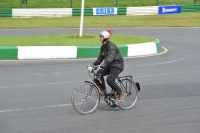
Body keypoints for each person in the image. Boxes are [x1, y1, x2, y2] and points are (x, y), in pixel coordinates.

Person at [92, 30, 126, 103]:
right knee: (97, 74)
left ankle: (121, 93)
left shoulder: (111, 46)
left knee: (110, 80)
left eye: (101, 37)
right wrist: (93, 65)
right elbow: (100, 58)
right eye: (100, 37)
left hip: (117, 65)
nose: (100, 38)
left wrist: (104, 64)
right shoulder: (103, 47)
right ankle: (103, 91)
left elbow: (110, 57)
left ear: (106, 37)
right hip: (109, 65)